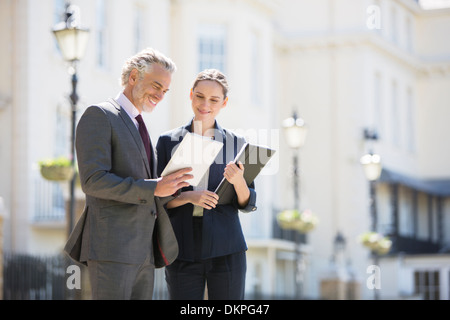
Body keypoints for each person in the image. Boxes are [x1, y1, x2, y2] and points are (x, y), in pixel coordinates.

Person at [64, 48, 193, 300]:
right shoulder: (100, 115)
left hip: (144, 251)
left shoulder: (140, 124)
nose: (160, 95)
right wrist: (154, 187)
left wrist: (177, 189)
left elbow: (148, 190)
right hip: (113, 250)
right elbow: (93, 181)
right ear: (134, 76)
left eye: (165, 91)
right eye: (156, 86)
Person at [156, 69, 257, 300]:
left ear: (224, 103)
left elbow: (248, 202)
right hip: (181, 246)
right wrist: (189, 197)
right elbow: (157, 199)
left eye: (214, 99)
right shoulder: (166, 142)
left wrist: (238, 181)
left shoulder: (237, 143)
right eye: (199, 96)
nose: (205, 104)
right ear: (191, 95)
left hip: (227, 247)